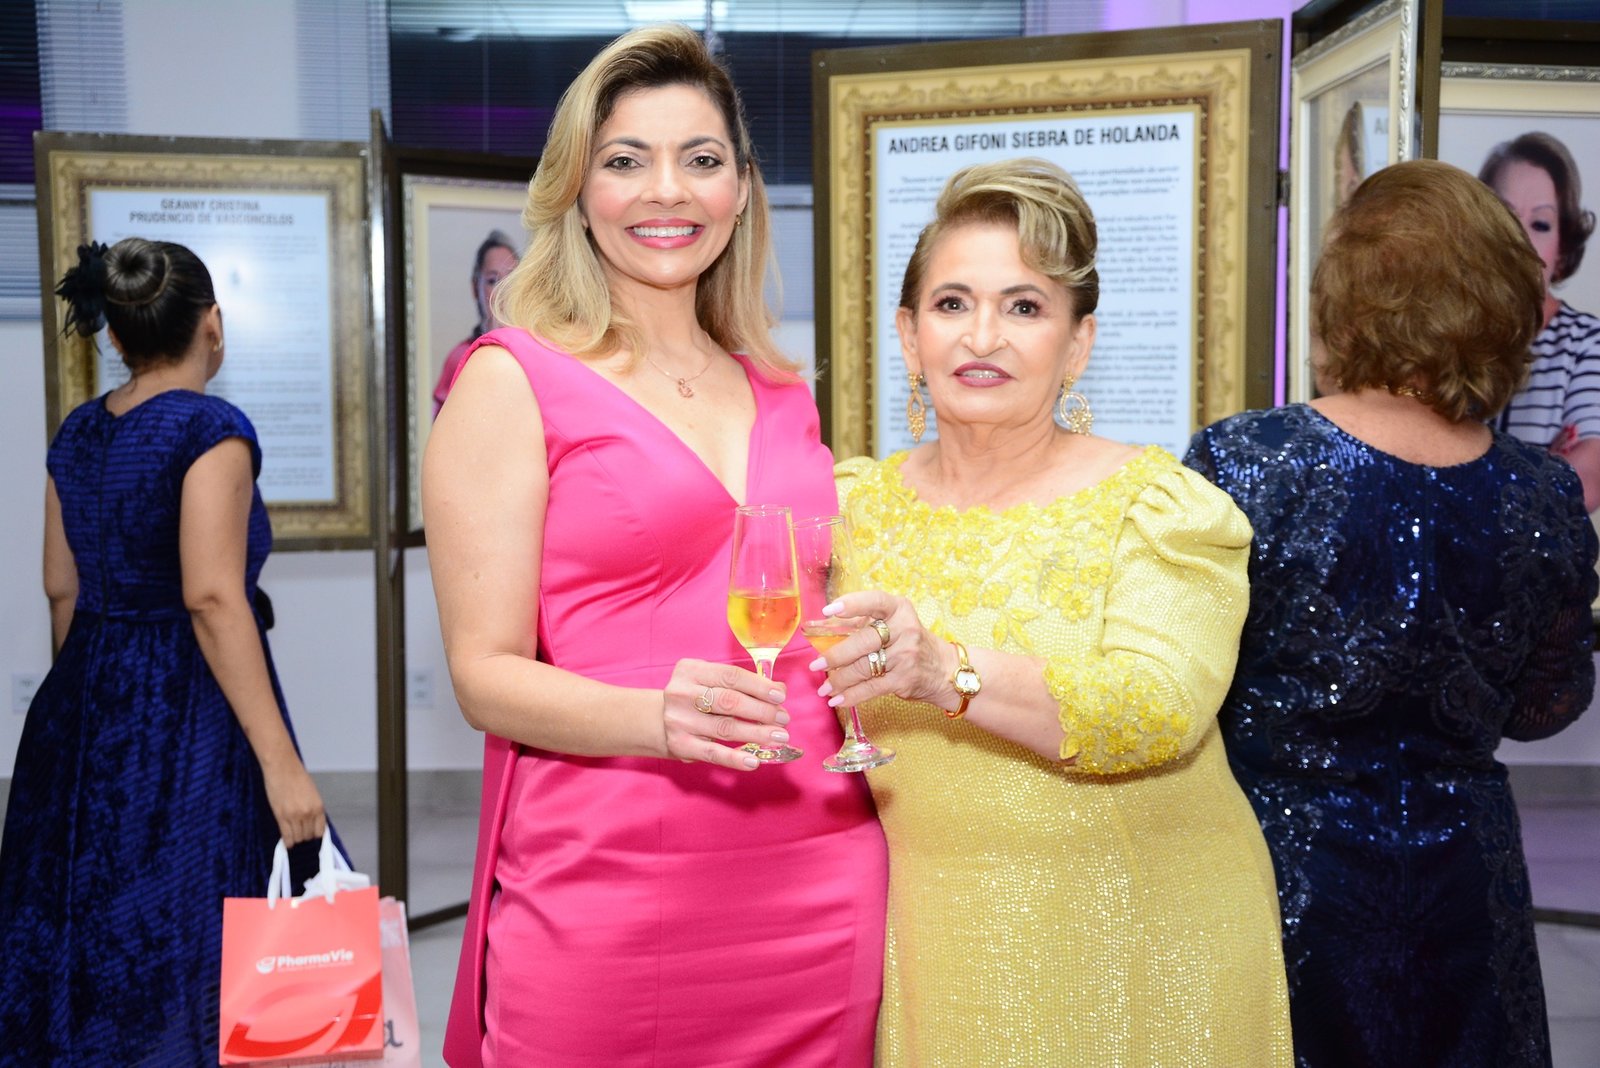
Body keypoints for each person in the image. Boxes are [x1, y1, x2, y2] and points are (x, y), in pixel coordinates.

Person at [424, 24, 886, 1068]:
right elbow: (484, 674)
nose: (666, 191)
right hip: (609, 881)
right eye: (626, 160)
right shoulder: (511, 380)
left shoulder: (782, 389)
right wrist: (655, 716)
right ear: (577, 189)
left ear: (742, 189)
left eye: (701, 159)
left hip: (821, 875)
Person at [815, 157, 1292, 1066]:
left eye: (1024, 306)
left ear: (1078, 345)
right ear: (909, 335)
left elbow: (1157, 711)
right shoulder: (848, 509)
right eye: (952, 304)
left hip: (1140, 935)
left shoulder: (1156, 506)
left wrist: (945, 671)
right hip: (939, 936)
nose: (982, 336)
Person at [1186, 159, 1597, 1067]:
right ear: (1502, 303)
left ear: (1343, 297)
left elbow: (1182, 690)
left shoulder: (1246, 461)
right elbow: (1547, 707)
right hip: (1466, 885)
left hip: (1281, 877)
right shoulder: (1542, 493)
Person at [0, 238, 330, 1064]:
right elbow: (212, 597)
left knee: (82, 914)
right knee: (191, 916)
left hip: (78, 697)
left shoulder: (77, 432)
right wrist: (283, 766)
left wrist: (87, 712)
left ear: (114, 334)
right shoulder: (211, 429)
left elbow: (60, 587)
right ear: (212, 323)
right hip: (184, 705)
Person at [1481, 131, 1600, 511]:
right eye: (1505, 216)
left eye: (1541, 224)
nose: (1519, 238)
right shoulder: (1450, 331)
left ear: (1562, 250)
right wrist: (1548, 466)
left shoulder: (1587, 343)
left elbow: (1587, 482)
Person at [432, 229, 520, 417]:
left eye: (512, 279)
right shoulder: (460, 357)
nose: (503, 291)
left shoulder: (537, 350)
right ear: (475, 287)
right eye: (493, 280)